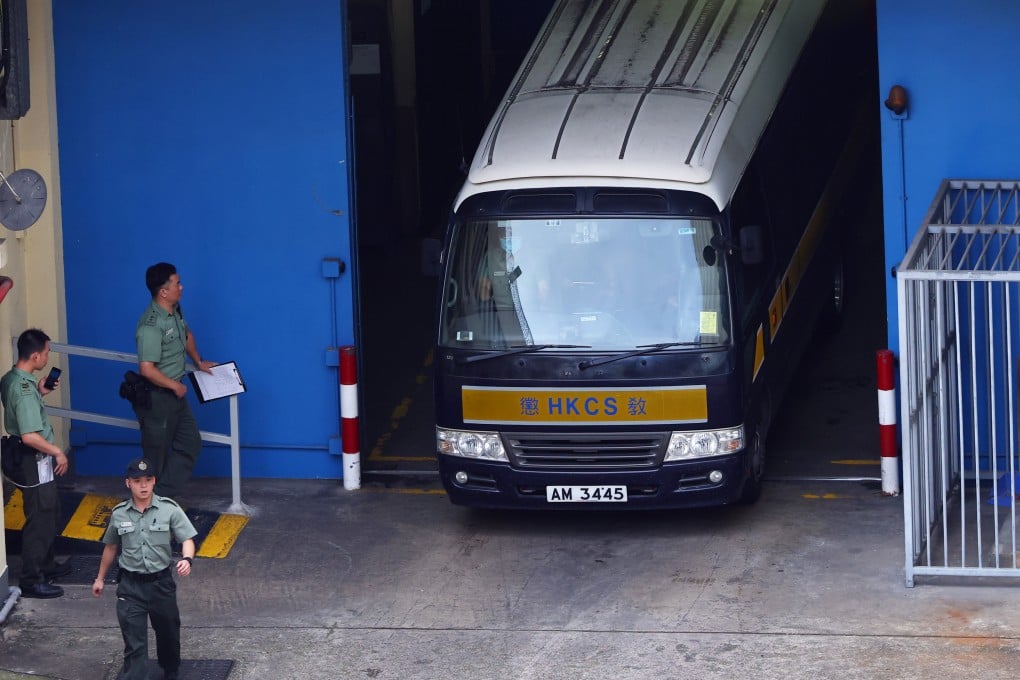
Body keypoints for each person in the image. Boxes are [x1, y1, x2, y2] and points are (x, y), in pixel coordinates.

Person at [92, 457, 197, 680]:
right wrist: (100, 578)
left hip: (161, 584)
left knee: (168, 633)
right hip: (131, 587)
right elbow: (110, 546)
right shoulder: (119, 513)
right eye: (137, 480)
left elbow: (187, 537)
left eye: (148, 480)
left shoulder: (169, 509)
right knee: (134, 643)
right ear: (128, 483)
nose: (143, 485)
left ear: (154, 481)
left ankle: (170, 668)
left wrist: (187, 560)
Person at [1, 328, 71, 599]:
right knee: (40, 518)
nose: (48, 356)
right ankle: (32, 580)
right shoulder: (24, 389)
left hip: (23, 455)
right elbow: (30, 435)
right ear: (34, 355)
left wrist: (40, 391)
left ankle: (47, 564)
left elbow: (21, 413)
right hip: (34, 459)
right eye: (46, 352)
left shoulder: (13, 379)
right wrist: (58, 452)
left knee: (49, 510)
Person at [134, 262, 215, 498]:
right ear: (163, 291)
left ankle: (162, 498)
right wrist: (174, 386)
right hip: (158, 398)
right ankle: (151, 509)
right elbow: (147, 369)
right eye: (177, 283)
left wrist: (198, 361)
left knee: (190, 443)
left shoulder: (175, 310)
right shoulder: (150, 325)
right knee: (155, 457)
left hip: (175, 396)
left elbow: (186, 334)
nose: (182, 287)